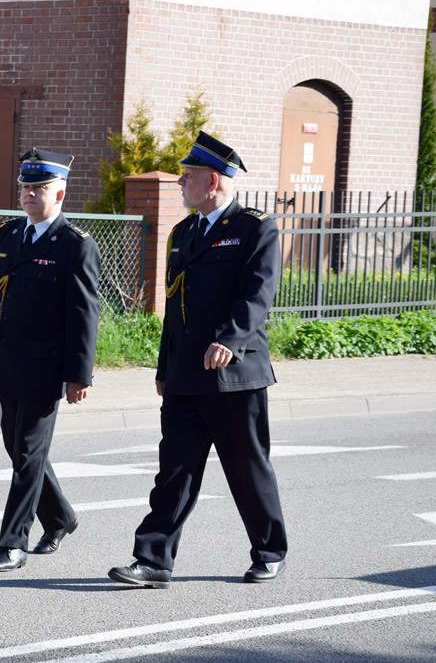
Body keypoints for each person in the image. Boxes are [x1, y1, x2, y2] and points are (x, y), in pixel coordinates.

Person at [108, 131, 287, 589]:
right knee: (175, 469)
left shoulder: (255, 227)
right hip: (187, 374)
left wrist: (231, 338)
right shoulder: (184, 231)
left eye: (187, 177)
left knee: (247, 467)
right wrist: (165, 369)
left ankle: (269, 551)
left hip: (234, 373)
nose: (181, 184)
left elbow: (257, 294)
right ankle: (152, 561)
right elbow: (175, 308)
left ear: (212, 181)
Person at [0, 148, 101, 572]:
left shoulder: (75, 246)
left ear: (60, 194)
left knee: (28, 454)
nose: (30, 194)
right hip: (5, 363)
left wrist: (78, 373)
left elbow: (84, 314)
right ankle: (61, 518)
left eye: (40, 188)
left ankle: (13, 541)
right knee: (17, 449)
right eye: (26, 187)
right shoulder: (7, 237)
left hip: (45, 367)